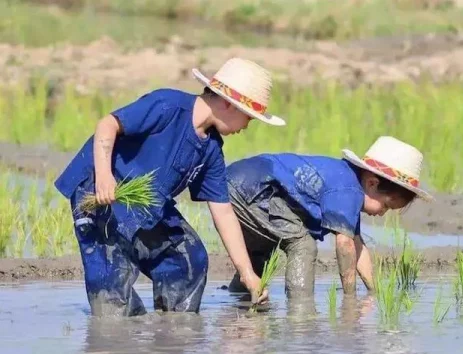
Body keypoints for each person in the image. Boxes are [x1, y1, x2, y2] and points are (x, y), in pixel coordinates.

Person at [53, 58, 286, 317]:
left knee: (188, 260)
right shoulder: (167, 106)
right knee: (113, 298)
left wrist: (247, 274)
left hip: (147, 204)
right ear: (229, 104)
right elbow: (107, 124)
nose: (246, 127)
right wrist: (105, 176)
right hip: (101, 194)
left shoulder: (211, 150)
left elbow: (223, 212)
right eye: (248, 118)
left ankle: (173, 329)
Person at [224, 136, 432, 298]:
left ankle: (239, 296)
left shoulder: (347, 182)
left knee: (262, 252)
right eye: (385, 205)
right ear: (372, 183)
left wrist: (373, 292)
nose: (381, 213)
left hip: (240, 180)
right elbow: (345, 245)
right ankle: (301, 310)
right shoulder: (348, 190)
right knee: (302, 245)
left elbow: (358, 246)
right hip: (255, 188)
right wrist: (350, 298)